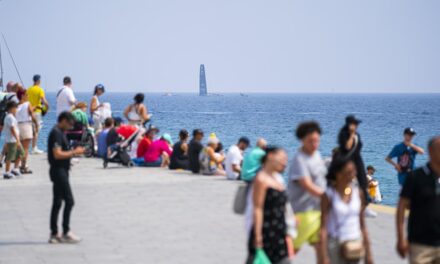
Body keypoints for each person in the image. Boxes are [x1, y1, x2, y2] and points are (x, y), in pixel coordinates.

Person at [319, 156, 373, 264]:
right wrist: (323, 256)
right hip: (334, 244)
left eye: (353, 171)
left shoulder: (358, 193)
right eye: (348, 172)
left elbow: (362, 225)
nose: (352, 175)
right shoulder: (329, 195)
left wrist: (368, 253)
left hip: (354, 243)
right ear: (337, 174)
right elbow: (323, 227)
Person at [396, 136, 440, 264]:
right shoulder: (415, 177)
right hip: (420, 245)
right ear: (431, 152)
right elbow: (401, 206)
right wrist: (400, 238)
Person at [288, 121, 327, 262]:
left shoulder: (316, 155)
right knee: (290, 251)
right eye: (311, 141)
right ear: (302, 140)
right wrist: (328, 197)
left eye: (317, 140)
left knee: (322, 247)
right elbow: (307, 184)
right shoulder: (299, 159)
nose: (315, 144)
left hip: (318, 212)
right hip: (302, 213)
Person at [247, 147, 291, 264]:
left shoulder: (278, 179)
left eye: (286, 160)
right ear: (270, 156)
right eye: (282, 159)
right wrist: (257, 236)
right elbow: (258, 208)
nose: (285, 163)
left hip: (280, 233)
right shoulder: (261, 179)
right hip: (266, 233)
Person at [48, 112, 85, 244]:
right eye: (70, 124)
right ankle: (65, 232)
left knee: (57, 202)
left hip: (61, 169)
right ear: (63, 120)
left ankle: (54, 233)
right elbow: (57, 154)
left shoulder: (59, 132)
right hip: (59, 171)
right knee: (69, 201)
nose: (71, 127)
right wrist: (75, 152)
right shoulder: (56, 133)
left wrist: (70, 158)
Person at [337, 115, 377, 218]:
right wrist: (351, 134)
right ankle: (342, 206)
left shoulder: (357, 134)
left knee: (363, 183)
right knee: (346, 184)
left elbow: (358, 147)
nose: (357, 126)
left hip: (357, 159)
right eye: (355, 124)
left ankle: (365, 207)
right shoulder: (343, 134)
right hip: (346, 160)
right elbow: (347, 146)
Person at [16, 88, 38, 174]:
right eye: (27, 94)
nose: (28, 96)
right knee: (25, 148)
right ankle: (24, 167)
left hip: (18, 126)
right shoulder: (27, 104)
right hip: (26, 125)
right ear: (22, 96)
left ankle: (19, 166)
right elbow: (32, 115)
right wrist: (36, 124)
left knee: (20, 148)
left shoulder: (17, 105)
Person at [27, 74, 49, 154]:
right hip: (37, 112)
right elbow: (43, 100)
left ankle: (29, 147)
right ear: (39, 81)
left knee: (30, 130)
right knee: (36, 130)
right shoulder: (40, 90)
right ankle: (34, 148)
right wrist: (47, 106)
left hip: (29, 112)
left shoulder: (28, 90)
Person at [2, 101, 24, 179]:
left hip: (14, 139)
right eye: (16, 108)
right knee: (10, 156)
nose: (16, 110)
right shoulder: (10, 117)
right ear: (12, 108)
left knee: (21, 153)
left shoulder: (11, 116)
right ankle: (7, 172)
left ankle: (15, 169)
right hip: (11, 140)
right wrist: (17, 139)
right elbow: (12, 129)